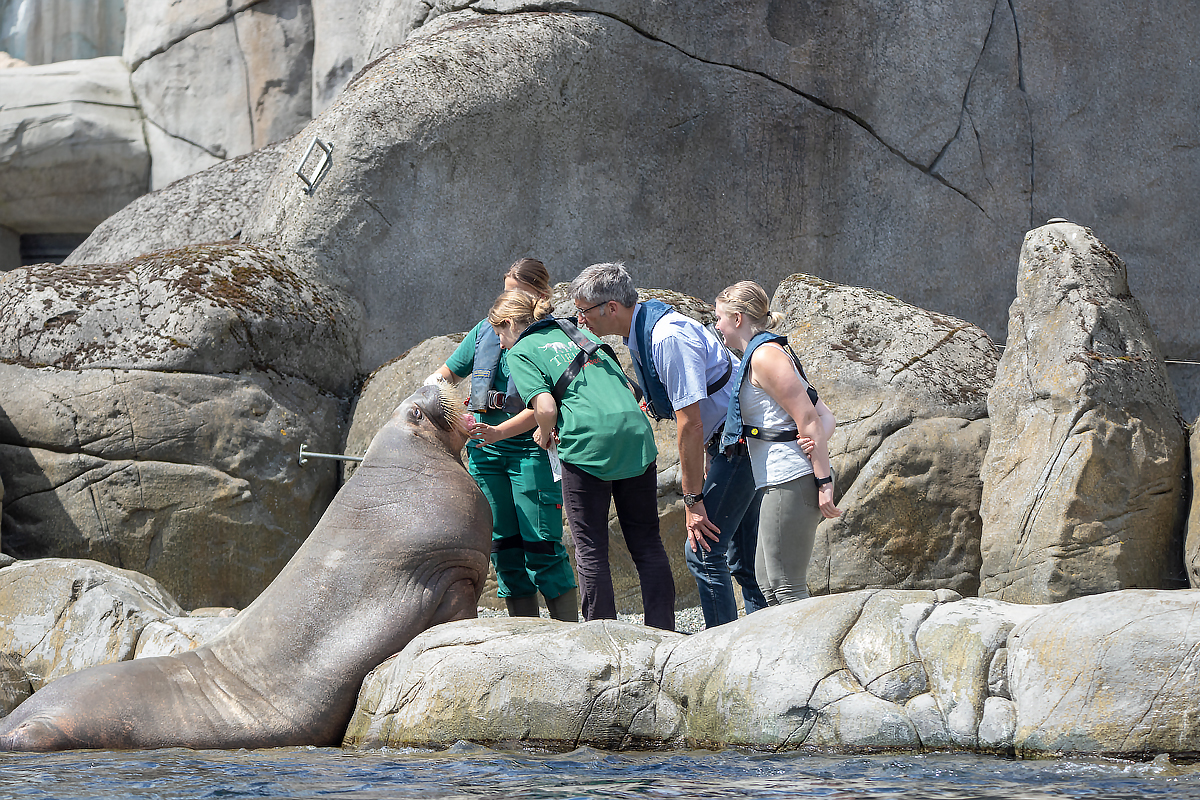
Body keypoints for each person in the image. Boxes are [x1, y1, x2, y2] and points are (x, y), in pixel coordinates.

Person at [567, 262, 768, 629]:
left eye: (584, 311)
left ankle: (719, 650)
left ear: (611, 307)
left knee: (704, 552)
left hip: (740, 446)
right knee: (742, 559)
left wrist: (693, 501)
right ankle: (759, 641)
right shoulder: (643, 330)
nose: (581, 321)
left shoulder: (666, 337)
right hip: (731, 443)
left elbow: (690, 423)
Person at [489, 289, 676, 631]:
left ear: (508, 325)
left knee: (590, 547)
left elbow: (545, 408)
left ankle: (601, 637)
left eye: (499, 334)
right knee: (647, 543)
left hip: (589, 445)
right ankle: (662, 632)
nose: (500, 343)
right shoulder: (577, 331)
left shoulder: (521, 351)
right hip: (635, 434)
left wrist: (546, 434)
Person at [427, 258, 578, 622]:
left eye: (515, 293)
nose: (505, 299)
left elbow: (546, 407)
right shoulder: (486, 331)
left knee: (543, 548)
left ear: (539, 296)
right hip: (485, 455)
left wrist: (498, 432)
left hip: (532, 452)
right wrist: (434, 404)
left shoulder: (551, 338)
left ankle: (569, 638)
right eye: (505, 290)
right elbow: (444, 376)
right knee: (504, 550)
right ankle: (522, 639)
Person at [714, 280, 842, 605]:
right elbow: (827, 419)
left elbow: (811, 419)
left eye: (720, 318)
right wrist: (814, 444)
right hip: (777, 478)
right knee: (768, 585)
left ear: (738, 319)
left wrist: (824, 481)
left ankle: (808, 655)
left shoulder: (764, 357)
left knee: (786, 587)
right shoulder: (767, 352)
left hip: (790, 478)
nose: (717, 326)